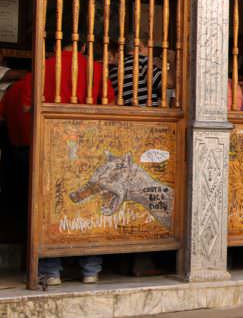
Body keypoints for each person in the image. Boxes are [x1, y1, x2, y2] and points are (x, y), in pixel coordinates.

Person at [19, 24, 114, 285]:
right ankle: (90, 269)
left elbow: (27, 105)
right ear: (84, 45)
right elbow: (110, 105)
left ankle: (51, 272)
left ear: (57, 44)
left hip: (52, 144)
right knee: (88, 202)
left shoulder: (43, 66)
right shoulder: (95, 69)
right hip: (86, 146)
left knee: (52, 203)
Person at [109, 37, 162, 106]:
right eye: (149, 47)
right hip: (147, 114)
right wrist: (171, 62)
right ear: (140, 47)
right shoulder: (142, 61)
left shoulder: (114, 70)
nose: (151, 52)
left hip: (126, 114)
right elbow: (167, 82)